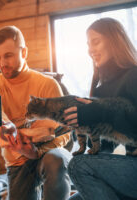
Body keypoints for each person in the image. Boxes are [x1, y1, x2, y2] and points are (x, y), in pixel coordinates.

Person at [0, 25, 72, 200]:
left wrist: (36, 151)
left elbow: (64, 134)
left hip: (50, 154)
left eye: (8, 56)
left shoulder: (47, 84)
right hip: (17, 161)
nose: (2, 63)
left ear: (24, 52)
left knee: (55, 161)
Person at [63, 18, 137, 200]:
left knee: (77, 165)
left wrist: (100, 110)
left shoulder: (134, 75)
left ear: (114, 40)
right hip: (125, 169)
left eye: (96, 42)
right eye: (88, 44)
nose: (90, 50)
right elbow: (104, 148)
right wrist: (84, 126)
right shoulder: (101, 89)